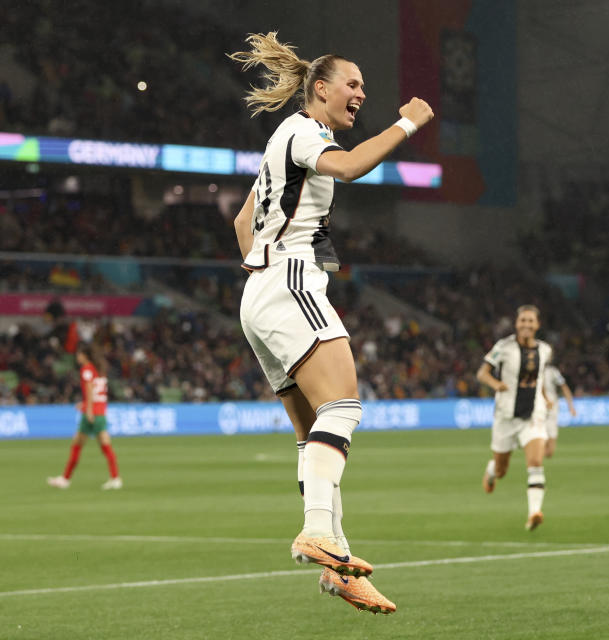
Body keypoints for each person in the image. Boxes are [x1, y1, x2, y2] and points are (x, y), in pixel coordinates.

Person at [228, 31, 433, 614]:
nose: (361, 92)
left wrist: (262, 268)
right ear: (320, 89)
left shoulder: (281, 142)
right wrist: (407, 125)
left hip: (261, 292)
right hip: (289, 281)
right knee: (344, 405)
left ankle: (338, 563)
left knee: (311, 430)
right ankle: (318, 530)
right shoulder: (303, 131)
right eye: (352, 82)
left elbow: (245, 221)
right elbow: (347, 168)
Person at [477, 305, 554, 531]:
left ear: (537, 325)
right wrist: (495, 385)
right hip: (505, 417)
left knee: (536, 463)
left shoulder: (545, 350)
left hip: (533, 415)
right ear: (516, 323)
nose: (527, 325)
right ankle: (492, 472)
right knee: (502, 469)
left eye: (531, 321)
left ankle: (534, 513)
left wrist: (546, 397)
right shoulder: (504, 347)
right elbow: (482, 373)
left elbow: (537, 379)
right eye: (523, 321)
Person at [48, 343, 122, 490]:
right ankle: (115, 478)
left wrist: (87, 409)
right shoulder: (99, 369)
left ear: (85, 355)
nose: (77, 356)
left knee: (77, 445)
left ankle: (65, 479)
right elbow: (98, 392)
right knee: (104, 446)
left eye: (79, 354)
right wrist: (85, 404)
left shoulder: (86, 369)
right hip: (100, 411)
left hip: (92, 413)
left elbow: (89, 389)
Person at [542, 363, 576, 459]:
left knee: (550, 452)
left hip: (551, 408)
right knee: (538, 441)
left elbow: (564, 387)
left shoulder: (552, 371)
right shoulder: (529, 369)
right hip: (536, 408)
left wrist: (571, 406)